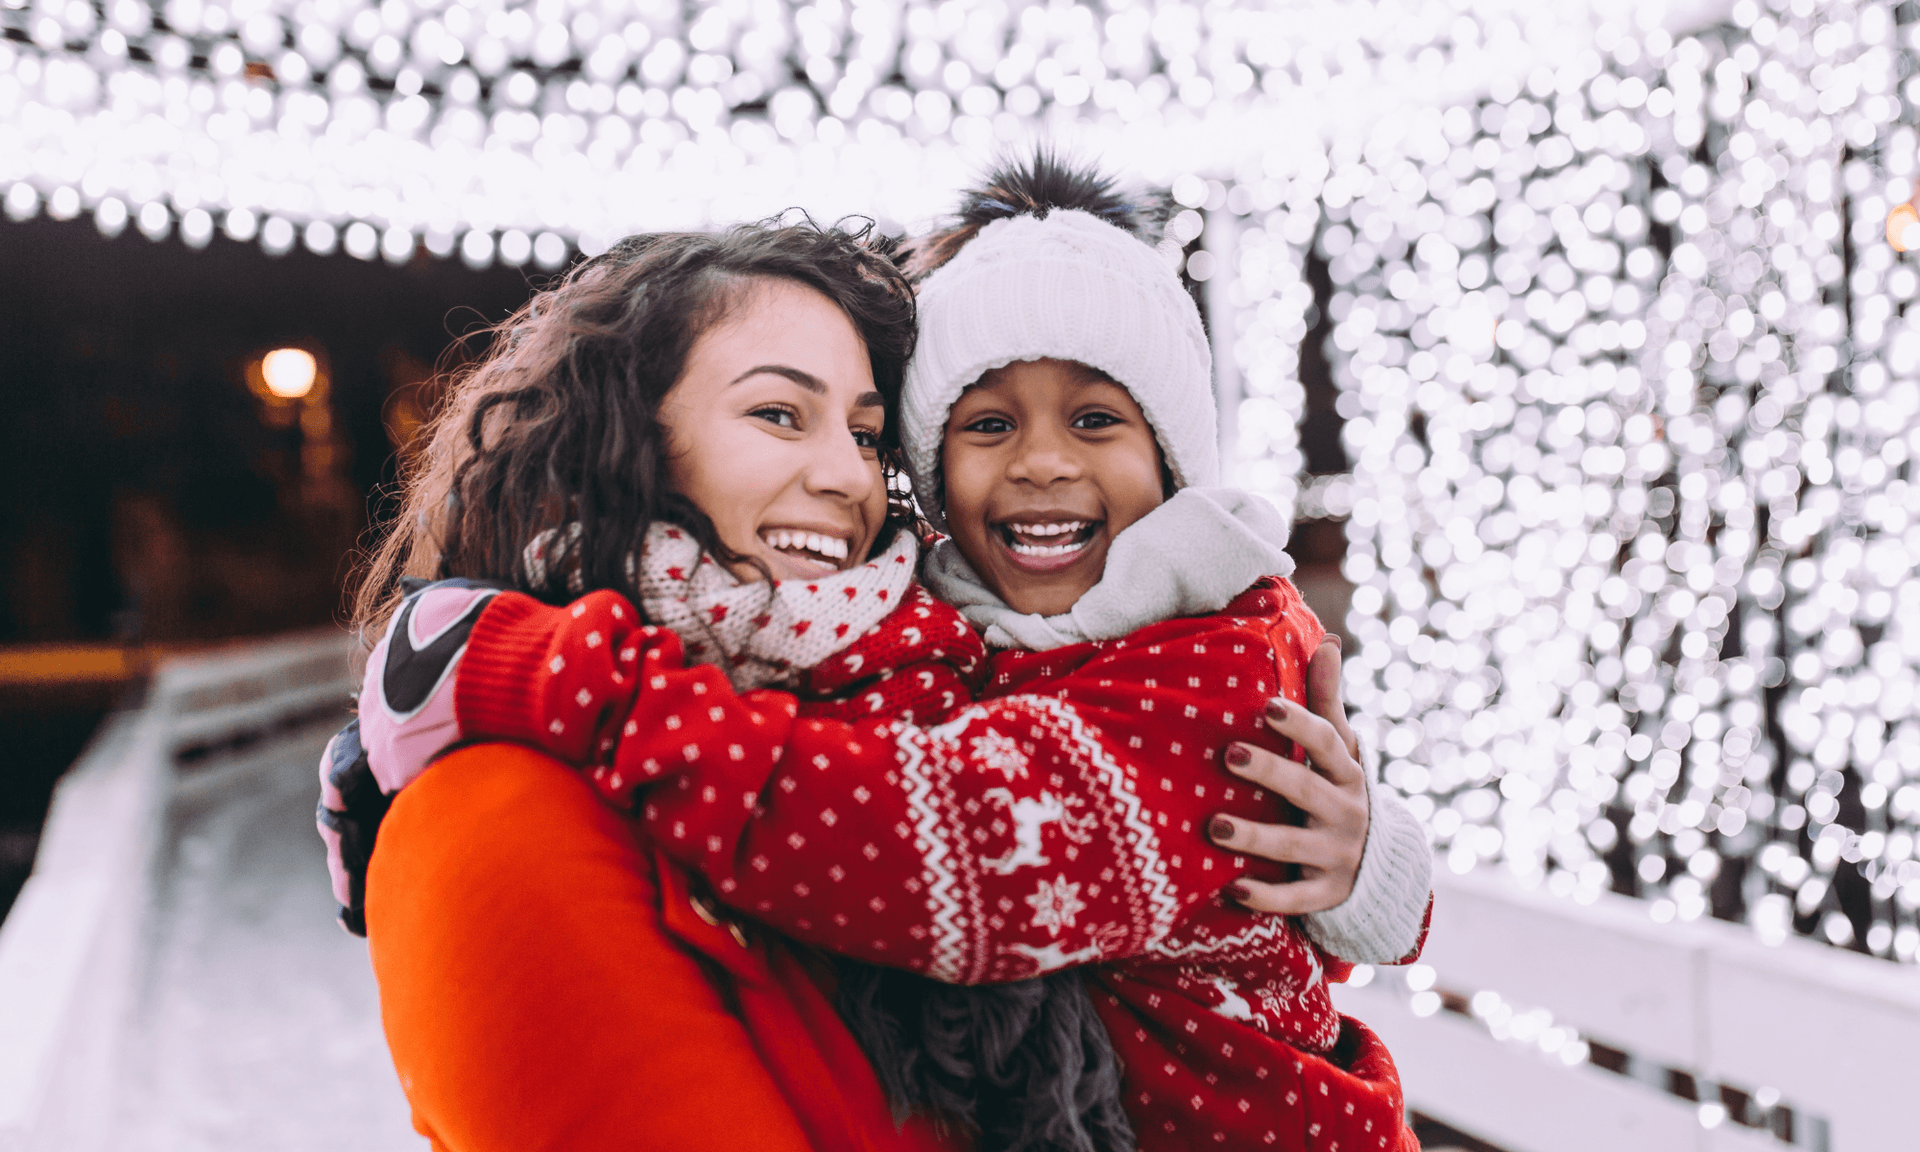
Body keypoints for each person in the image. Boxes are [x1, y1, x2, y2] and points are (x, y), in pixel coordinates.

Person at [342, 157, 1430, 1152]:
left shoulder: (1020, 672)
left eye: (864, 433)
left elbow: (961, 843)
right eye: (779, 413)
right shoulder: (502, 813)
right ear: (625, 436)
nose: (847, 480)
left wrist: (560, 675)